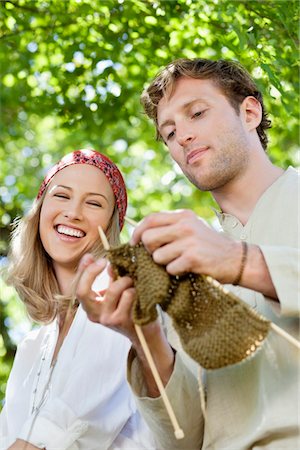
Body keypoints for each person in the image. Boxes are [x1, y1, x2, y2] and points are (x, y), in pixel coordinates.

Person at [77, 59, 299, 450]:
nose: (183, 137)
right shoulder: (185, 271)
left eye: (196, 113)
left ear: (249, 112)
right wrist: (143, 334)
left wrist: (239, 262)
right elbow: (183, 439)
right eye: (170, 132)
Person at [0, 149, 156, 450]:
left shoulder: (120, 302)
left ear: (110, 226)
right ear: (40, 210)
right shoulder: (32, 349)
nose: (73, 212)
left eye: (94, 203)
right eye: (61, 196)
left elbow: (59, 431)